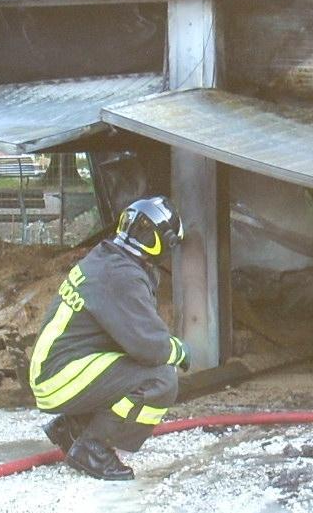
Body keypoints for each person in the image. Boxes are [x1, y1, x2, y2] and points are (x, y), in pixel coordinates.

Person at [30, 194, 192, 481]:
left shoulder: (106, 258)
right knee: (160, 379)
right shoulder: (121, 276)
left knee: (131, 368)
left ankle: (74, 427)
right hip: (59, 377)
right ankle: (93, 448)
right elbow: (150, 347)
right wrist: (179, 350)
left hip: (55, 371)